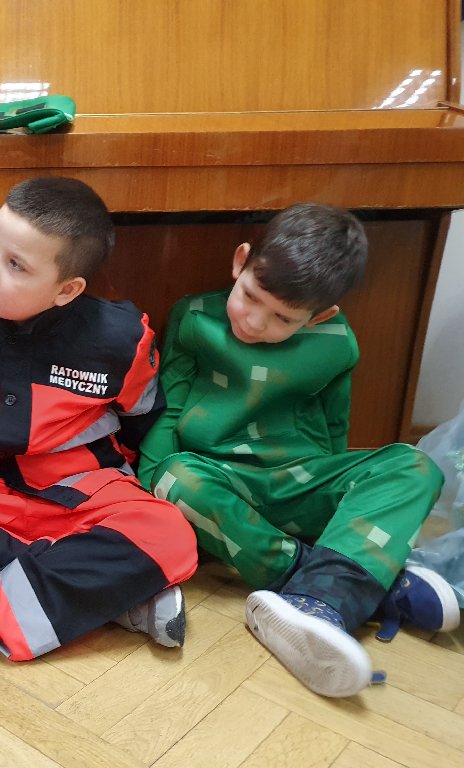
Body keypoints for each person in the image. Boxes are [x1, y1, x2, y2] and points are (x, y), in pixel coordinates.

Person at [0, 177, 198, 674]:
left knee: (171, 535)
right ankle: (108, 595)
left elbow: (141, 419)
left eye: (15, 264)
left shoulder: (122, 339)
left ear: (67, 290)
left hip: (88, 491)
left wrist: (116, 477)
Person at [138, 203, 460, 698]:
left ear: (319, 316)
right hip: (219, 484)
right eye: (250, 296)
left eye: (282, 318)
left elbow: (333, 431)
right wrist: (149, 485)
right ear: (241, 261)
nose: (253, 321)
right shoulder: (194, 316)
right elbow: (169, 410)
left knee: (415, 464)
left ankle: (320, 598)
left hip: (301, 481)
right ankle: (339, 589)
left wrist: (339, 506)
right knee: (173, 476)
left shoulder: (337, 343)